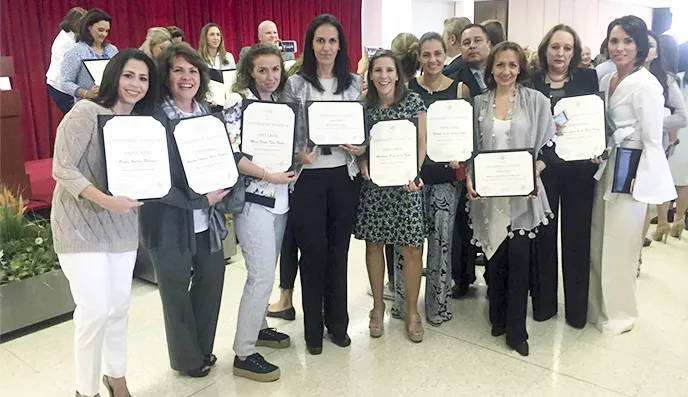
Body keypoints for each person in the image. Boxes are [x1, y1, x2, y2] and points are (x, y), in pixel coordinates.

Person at [139, 43, 259, 378]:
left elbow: (224, 159)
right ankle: (187, 360)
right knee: (175, 294)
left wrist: (224, 188)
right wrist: (196, 199)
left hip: (209, 219)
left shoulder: (210, 114)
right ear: (166, 77)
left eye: (193, 71)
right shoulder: (152, 119)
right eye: (178, 70)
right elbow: (154, 181)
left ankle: (202, 349)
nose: (187, 77)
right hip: (169, 220)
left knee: (211, 282)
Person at [51, 48, 158, 397]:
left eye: (143, 78)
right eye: (128, 75)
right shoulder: (85, 111)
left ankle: (117, 378)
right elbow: (62, 168)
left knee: (119, 307)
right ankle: (86, 390)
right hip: (80, 225)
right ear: (112, 76)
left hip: (122, 228)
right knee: (94, 311)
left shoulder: (143, 123)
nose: (135, 84)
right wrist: (106, 200)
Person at [588, 16, 677, 335]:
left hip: (631, 172)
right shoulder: (607, 78)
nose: (620, 47)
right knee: (599, 236)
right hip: (605, 167)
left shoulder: (647, 84)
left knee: (621, 245)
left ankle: (621, 312)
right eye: (614, 41)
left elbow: (653, 140)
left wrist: (646, 181)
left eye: (627, 41)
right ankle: (597, 305)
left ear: (641, 47)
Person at [467, 41, 557, 356]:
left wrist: (537, 168)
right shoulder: (478, 103)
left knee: (519, 259)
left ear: (520, 68)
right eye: (500, 65)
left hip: (522, 194)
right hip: (489, 196)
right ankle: (498, 317)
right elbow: (469, 151)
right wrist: (469, 177)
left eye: (513, 65)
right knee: (496, 259)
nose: (506, 71)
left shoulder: (536, 101)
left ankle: (517, 331)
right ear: (491, 69)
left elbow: (550, 145)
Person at [281, 14, 364, 355]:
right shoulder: (295, 84)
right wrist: (296, 156)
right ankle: (312, 330)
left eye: (332, 41)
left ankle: (338, 324)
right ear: (310, 45)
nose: (326, 47)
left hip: (343, 177)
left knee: (338, 252)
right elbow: (284, 131)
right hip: (308, 179)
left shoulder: (355, 84)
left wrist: (361, 147)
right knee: (312, 254)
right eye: (320, 41)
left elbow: (363, 129)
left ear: (341, 45)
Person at [223, 43, 298, 382]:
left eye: (275, 70)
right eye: (262, 70)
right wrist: (269, 175)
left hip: (279, 198)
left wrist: (300, 160)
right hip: (254, 201)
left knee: (269, 266)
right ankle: (244, 351)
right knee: (262, 274)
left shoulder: (280, 105)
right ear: (249, 72)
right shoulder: (238, 105)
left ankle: (260, 326)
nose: (270, 77)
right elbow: (233, 154)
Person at [354, 49, 427, 342]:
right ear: (370, 75)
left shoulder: (413, 101)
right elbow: (359, 148)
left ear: (398, 74)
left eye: (389, 70)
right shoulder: (363, 106)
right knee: (374, 246)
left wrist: (417, 172)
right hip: (375, 188)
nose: (384, 76)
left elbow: (422, 142)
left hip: (406, 186)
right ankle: (377, 307)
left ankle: (411, 310)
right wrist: (362, 164)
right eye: (377, 71)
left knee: (412, 249)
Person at [531, 24, 599, 329]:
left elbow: (595, 119)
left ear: (575, 52)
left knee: (577, 239)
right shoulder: (531, 82)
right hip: (544, 170)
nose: (561, 53)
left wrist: (598, 147)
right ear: (546, 49)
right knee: (543, 238)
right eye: (555, 47)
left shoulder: (587, 78)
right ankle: (544, 306)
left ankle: (577, 312)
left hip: (580, 169)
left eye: (567, 48)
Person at [407, 32, 463, 326]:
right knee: (408, 245)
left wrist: (462, 157)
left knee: (441, 244)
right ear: (419, 57)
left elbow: (467, 136)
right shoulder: (407, 89)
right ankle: (406, 304)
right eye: (426, 55)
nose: (432, 60)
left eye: (437, 54)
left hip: (444, 178)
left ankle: (438, 306)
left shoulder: (460, 90)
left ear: (445, 55)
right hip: (411, 181)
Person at [642, 31, 687, 245]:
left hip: (658, 142)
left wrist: (655, 125)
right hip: (621, 149)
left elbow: (680, 115)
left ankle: (660, 224)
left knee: (654, 188)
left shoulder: (667, 79)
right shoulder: (613, 75)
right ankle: (675, 220)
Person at [60, 8, 118, 102]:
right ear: (89, 27)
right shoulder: (76, 51)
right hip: (87, 106)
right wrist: (87, 93)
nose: (104, 34)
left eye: (107, 31)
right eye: (100, 30)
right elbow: (65, 83)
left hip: (111, 103)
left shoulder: (112, 50)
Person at [46, 7, 86, 114]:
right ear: (74, 23)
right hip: (60, 87)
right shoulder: (66, 42)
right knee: (76, 119)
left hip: (65, 85)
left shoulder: (72, 36)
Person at [457, 24, 492, 97]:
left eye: (477, 40)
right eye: (466, 43)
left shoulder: (501, 72)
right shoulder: (453, 79)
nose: (472, 46)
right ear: (460, 49)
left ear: (489, 45)